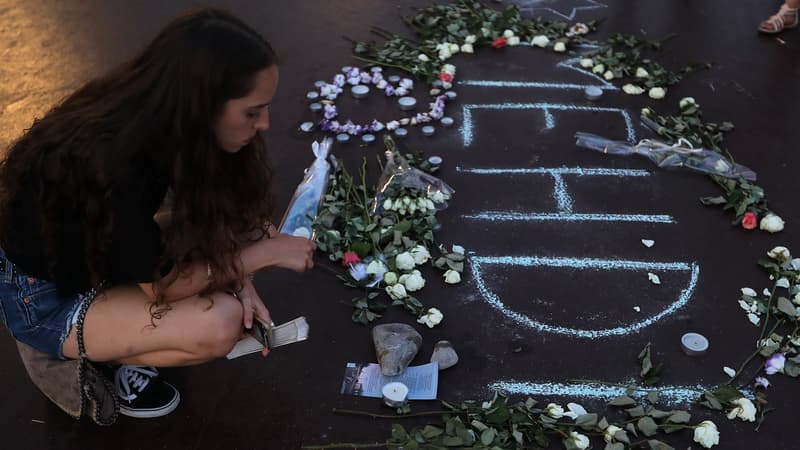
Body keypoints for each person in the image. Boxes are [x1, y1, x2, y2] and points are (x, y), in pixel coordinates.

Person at [0, 8, 316, 420]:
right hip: (43, 297)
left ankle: (117, 332)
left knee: (250, 235)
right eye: (252, 112)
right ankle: (90, 355)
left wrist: (242, 275)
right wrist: (266, 255)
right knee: (219, 323)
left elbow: (215, 211)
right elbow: (165, 289)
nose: (265, 123)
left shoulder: (159, 118)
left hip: (92, 257)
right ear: (203, 105)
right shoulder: (115, 164)